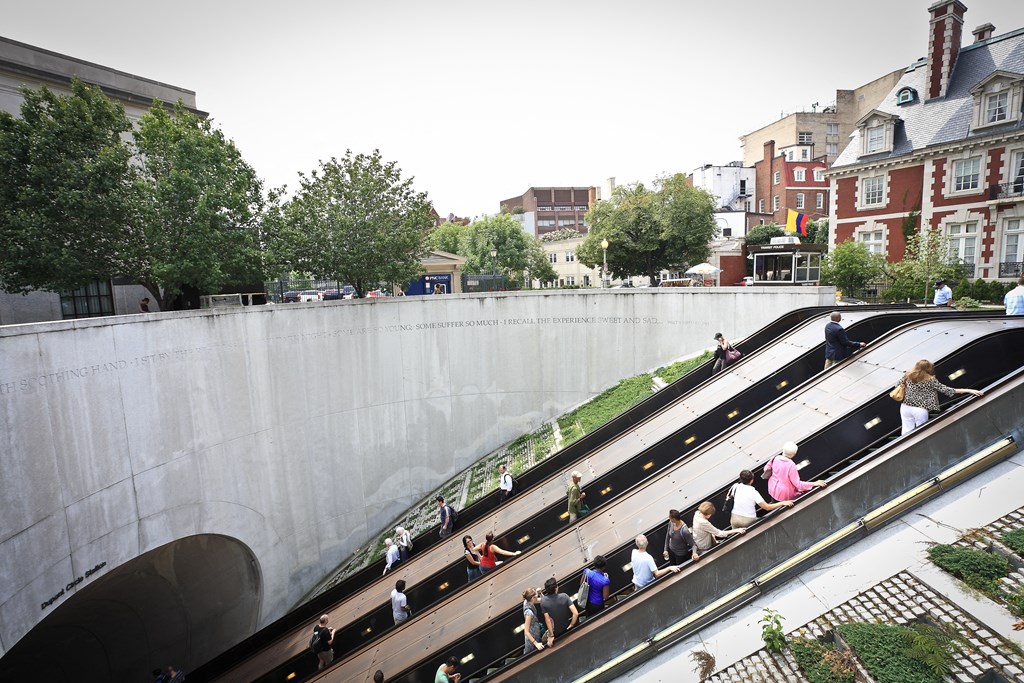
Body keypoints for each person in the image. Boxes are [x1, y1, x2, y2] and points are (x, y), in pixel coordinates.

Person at [896, 359, 984, 435]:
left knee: (906, 433)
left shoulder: (908, 375)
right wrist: (969, 390)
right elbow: (949, 390)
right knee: (921, 433)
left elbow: (897, 385)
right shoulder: (930, 380)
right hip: (919, 409)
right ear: (928, 368)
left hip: (905, 407)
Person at [727, 471, 793, 529]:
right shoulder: (753, 492)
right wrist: (782, 503)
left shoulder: (735, 486)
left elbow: (728, 498)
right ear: (751, 480)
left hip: (734, 518)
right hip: (748, 520)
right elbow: (767, 507)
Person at [522, 587, 547, 654]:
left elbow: (542, 600)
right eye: (536, 596)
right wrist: (536, 644)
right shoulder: (529, 613)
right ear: (532, 598)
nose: (537, 597)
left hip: (536, 632)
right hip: (532, 639)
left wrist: (540, 593)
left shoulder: (527, 601)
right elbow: (526, 631)